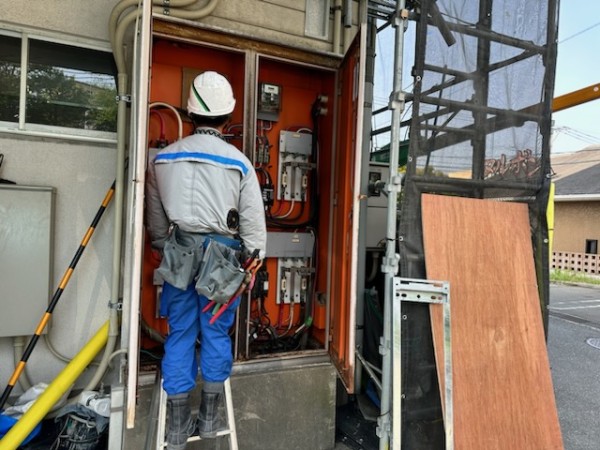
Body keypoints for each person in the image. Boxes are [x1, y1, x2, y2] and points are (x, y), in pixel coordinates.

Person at [145, 71, 266, 450]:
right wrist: (252, 261)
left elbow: (155, 220)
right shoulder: (240, 163)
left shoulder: (162, 159)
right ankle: (210, 420)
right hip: (223, 259)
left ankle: (177, 428)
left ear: (190, 113)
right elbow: (253, 226)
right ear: (227, 116)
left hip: (179, 252)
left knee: (180, 332)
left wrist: (163, 245)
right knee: (214, 332)